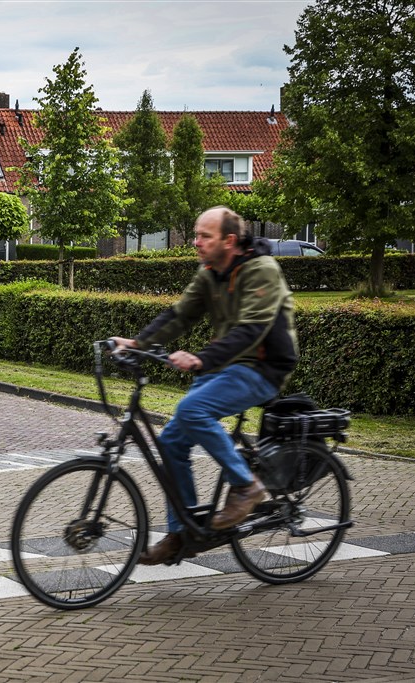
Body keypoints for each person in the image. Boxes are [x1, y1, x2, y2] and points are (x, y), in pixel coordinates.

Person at [111, 206, 298, 565]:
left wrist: (200, 359)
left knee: (192, 409)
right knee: (170, 443)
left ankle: (246, 486)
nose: (195, 242)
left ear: (229, 240)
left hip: (263, 367)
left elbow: (250, 330)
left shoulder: (262, 271)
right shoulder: (210, 272)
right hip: (226, 366)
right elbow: (179, 315)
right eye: (196, 234)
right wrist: (137, 344)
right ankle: (181, 533)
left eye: (204, 236)